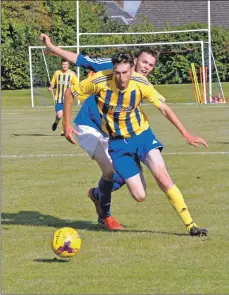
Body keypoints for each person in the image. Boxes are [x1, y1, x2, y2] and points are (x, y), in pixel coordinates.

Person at [63, 52, 208, 237]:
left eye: (125, 72)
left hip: (142, 135)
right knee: (140, 196)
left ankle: (191, 225)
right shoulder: (99, 80)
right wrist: (66, 124)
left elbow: (163, 108)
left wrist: (186, 134)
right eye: (117, 73)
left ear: (132, 68)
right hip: (118, 144)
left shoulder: (141, 83)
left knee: (162, 176)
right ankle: (99, 193)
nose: (121, 78)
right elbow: (70, 93)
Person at [40, 33, 156, 229]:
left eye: (151, 65)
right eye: (144, 62)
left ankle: (96, 195)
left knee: (127, 177)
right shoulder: (111, 68)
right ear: (134, 60)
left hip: (113, 134)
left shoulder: (139, 84)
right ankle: (105, 216)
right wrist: (52, 46)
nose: (146, 67)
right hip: (89, 126)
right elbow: (80, 60)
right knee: (110, 170)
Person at [48, 59, 78, 135]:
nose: (65, 66)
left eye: (66, 64)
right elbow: (53, 82)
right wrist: (51, 87)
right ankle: (56, 122)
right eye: (63, 64)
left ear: (68, 65)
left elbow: (76, 84)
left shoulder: (72, 74)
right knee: (59, 115)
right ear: (61, 65)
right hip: (58, 98)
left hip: (68, 98)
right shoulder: (57, 73)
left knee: (65, 115)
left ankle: (63, 131)